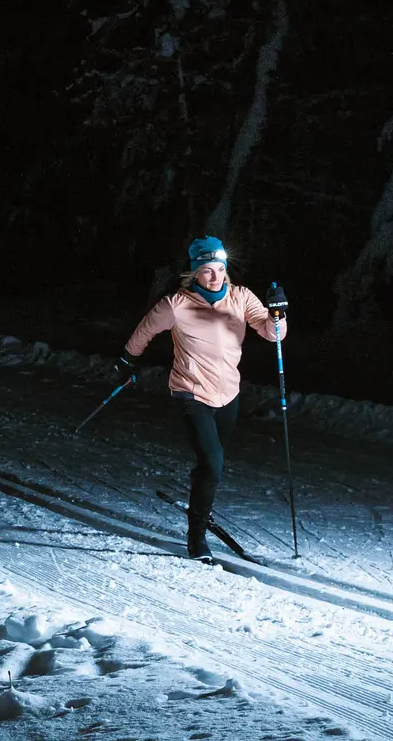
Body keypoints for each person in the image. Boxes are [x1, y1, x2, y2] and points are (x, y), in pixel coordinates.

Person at [120, 236, 287, 560]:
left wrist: (278, 314)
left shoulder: (240, 298)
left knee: (211, 467)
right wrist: (127, 359)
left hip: (228, 395)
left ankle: (201, 502)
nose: (215, 276)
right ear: (194, 272)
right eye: (207, 270)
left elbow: (272, 334)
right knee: (212, 462)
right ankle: (196, 538)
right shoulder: (177, 305)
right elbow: (145, 329)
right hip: (190, 391)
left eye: (220, 269)